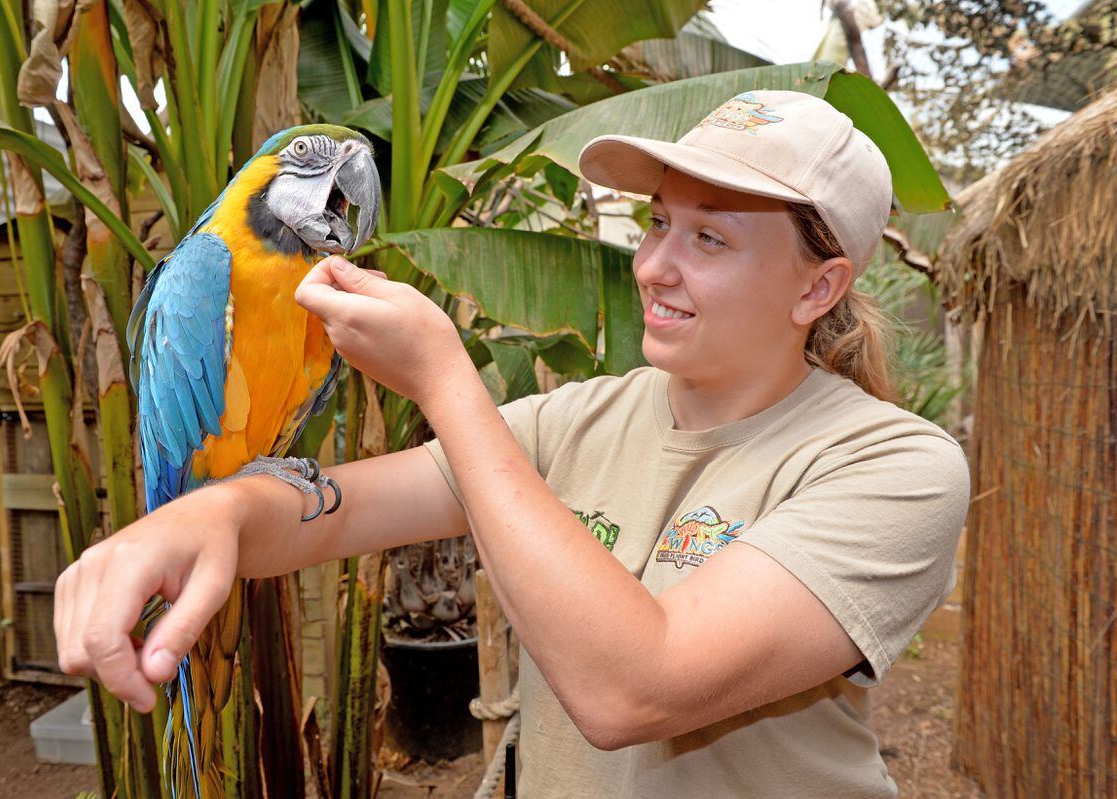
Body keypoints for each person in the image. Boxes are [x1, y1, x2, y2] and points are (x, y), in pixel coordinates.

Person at [54, 90, 970, 798]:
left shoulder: (897, 469)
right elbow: (322, 515)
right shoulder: (579, 417)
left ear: (819, 290)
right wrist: (200, 515)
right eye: (655, 222)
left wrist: (448, 381)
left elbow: (631, 692)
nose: (653, 264)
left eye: (709, 238)